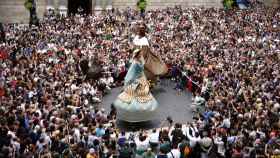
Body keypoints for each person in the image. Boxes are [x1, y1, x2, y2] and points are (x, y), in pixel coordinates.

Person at [113, 49, 158, 122]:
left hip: (141, 79)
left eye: (141, 54)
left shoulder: (140, 61)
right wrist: (132, 80)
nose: (141, 55)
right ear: (137, 55)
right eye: (140, 54)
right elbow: (132, 73)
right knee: (133, 97)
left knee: (144, 95)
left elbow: (142, 67)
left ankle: (143, 115)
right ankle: (133, 116)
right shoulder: (135, 63)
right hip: (136, 80)